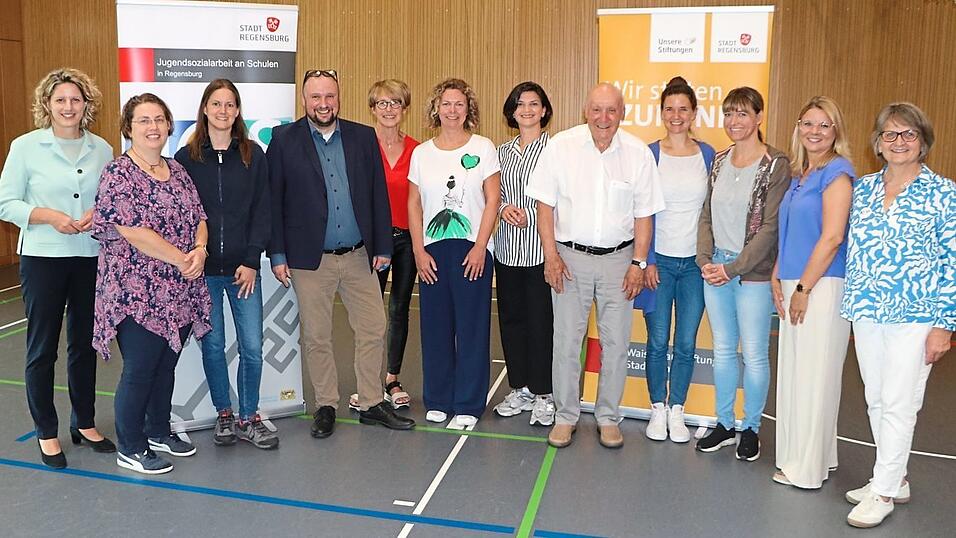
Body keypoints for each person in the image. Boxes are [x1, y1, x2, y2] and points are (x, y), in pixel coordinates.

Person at [267, 69, 414, 439]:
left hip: (359, 255)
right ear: (304, 100)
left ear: (339, 98)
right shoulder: (283, 140)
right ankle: (326, 405)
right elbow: (273, 200)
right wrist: (277, 254)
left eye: (329, 96)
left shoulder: (362, 137)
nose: (323, 104)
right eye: (316, 97)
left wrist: (383, 245)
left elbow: (377, 194)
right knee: (318, 336)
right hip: (309, 260)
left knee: (373, 327)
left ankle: (371, 402)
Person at [526, 83, 664, 449]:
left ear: (622, 113)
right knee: (566, 342)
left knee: (616, 343)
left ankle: (608, 417)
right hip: (569, 259)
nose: (604, 118)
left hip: (620, 262)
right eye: (597, 110)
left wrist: (638, 263)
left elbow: (644, 214)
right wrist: (551, 256)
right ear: (585, 111)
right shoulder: (561, 147)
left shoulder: (637, 153)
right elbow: (544, 206)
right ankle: (565, 416)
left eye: (612, 110)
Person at [842, 102, 953, 528]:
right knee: (876, 397)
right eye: (890, 134)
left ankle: (884, 491)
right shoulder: (864, 189)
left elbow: (952, 262)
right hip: (867, 310)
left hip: (917, 315)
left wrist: (944, 325)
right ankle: (895, 477)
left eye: (909, 134)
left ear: (923, 141)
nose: (899, 141)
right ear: (878, 142)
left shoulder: (943, 193)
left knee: (899, 403)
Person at [0, 68, 115, 468]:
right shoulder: (26, 146)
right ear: (47, 104)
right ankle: (46, 431)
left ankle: (84, 422)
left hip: (89, 255)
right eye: (60, 100)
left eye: (75, 100)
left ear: (86, 104)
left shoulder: (102, 148)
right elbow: (6, 203)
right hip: (43, 257)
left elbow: (110, 199)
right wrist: (48, 216)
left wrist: (97, 212)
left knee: (84, 344)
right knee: (42, 348)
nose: (68, 107)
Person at [92, 93, 212, 474]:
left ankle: (157, 431)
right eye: (143, 120)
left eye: (159, 119)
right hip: (136, 292)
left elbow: (199, 217)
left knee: (165, 366)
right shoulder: (118, 173)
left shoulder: (177, 170)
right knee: (140, 369)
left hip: (179, 289)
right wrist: (181, 258)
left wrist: (200, 250)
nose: (153, 127)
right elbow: (133, 231)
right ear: (129, 128)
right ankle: (130, 446)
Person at [175, 79, 277, 450]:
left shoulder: (253, 155)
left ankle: (248, 417)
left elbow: (263, 210)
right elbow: (182, 215)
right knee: (213, 346)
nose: (223, 111)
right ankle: (224, 414)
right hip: (202, 274)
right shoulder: (186, 159)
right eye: (216, 104)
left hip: (242, 271)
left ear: (237, 111)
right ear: (205, 109)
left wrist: (251, 260)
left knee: (252, 347)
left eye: (230, 104)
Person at [694, 87, 789, 461]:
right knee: (722, 350)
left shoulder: (775, 164)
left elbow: (770, 228)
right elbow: (706, 214)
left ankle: (750, 428)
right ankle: (724, 424)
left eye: (743, 113)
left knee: (753, 354)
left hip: (752, 276)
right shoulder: (719, 161)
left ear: (759, 117)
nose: (734, 121)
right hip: (715, 268)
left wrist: (731, 268)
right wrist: (705, 259)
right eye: (729, 113)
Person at [408, 78, 501, 428]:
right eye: (446, 103)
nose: (452, 110)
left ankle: (468, 404)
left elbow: (493, 199)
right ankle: (438, 398)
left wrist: (480, 247)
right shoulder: (422, 153)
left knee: (472, 329)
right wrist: (418, 251)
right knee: (435, 327)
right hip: (433, 252)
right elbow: (413, 203)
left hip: (472, 251)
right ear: (436, 108)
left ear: (468, 109)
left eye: (459, 104)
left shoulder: (483, 147)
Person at [772, 96, 854, 488]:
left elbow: (833, 237)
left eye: (824, 125)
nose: (815, 131)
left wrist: (804, 287)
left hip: (820, 285)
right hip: (795, 280)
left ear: (836, 131)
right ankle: (816, 456)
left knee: (814, 376)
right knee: (797, 374)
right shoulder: (800, 174)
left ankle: (806, 470)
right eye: (808, 123)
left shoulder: (838, 172)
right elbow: (790, 232)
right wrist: (778, 274)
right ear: (798, 127)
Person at [641, 76, 715, 443]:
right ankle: (657, 407)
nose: (676, 115)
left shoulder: (708, 155)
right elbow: (640, 210)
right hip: (660, 263)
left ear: (694, 113)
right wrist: (647, 260)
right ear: (661, 113)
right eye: (669, 109)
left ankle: (677, 410)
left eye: (683, 109)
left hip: (694, 266)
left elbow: (713, 210)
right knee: (657, 340)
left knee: (686, 342)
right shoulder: (649, 154)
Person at [348, 79, 420, 410]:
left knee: (399, 309)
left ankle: (392, 378)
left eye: (395, 103)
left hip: (407, 241)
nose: (389, 109)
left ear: (404, 108)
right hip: (371, 242)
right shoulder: (360, 146)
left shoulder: (418, 150)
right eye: (382, 103)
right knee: (369, 314)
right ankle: (367, 383)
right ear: (372, 109)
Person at [492, 81, 556, 426]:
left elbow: (564, 197)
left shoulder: (556, 150)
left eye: (533, 104)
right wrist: (503, 209)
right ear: (512, 111)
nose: (527, 110)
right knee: (512, 321)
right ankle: (521, 388)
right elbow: (492, 194)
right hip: (507, 252)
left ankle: (545, 393)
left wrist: (531, 215)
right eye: (520, 104)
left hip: (541, 252)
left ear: (544, 110)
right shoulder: (501, 152)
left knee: (541, 323)